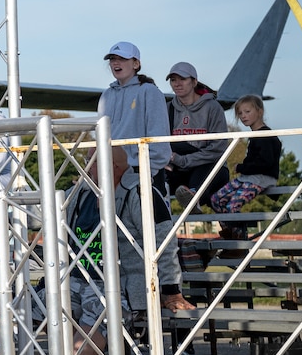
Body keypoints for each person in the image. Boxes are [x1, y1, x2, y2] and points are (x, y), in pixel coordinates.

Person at [97, 42, 188, 315]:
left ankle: (172, 293)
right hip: (114, 176)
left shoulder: (150, 92)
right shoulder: (106, 96)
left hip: (144, 176)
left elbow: (160, 140)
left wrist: (146, 172)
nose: (116, 63)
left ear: (136, 63)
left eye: (122, 58)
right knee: (127, 244)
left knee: (161, 236)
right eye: (112, 58)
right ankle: (140, 308)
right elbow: (101, 138)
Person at [159, 62, 227, 208]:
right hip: (179, 169)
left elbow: (218, 149)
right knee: (153, 175)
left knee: (209, 167)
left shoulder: (213, 108)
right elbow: (160, 144)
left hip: (208, 167)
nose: (177, 84)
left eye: (182, 79)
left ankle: (193, 199)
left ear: (194, 81)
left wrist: (182, 160)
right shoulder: (167, 109)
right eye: (173, 80)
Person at [211, 95, 284, 212]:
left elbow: (265, 162)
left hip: (261, 178)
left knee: (233, 206)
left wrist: (241, 167)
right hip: (248, 177)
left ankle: (237, 229)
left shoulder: (265, 136)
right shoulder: (254, 136)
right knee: (216, 199)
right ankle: (230, 228)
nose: (243, 116)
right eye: (240, 113)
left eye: (247, 111)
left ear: (260, 112)